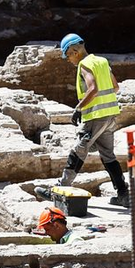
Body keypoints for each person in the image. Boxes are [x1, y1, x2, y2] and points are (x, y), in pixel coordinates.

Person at [37, 34, 129, 208]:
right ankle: (123, 194)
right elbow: (115, 87)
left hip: (94, 117)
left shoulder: (84, 64)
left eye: (68, 56)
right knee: (108, 156)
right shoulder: (102, 61)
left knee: (78, 151)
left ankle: (59, 189)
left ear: (75, 51)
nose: (68, 60)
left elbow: (93, 88)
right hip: (110, 116)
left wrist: (79, 108)